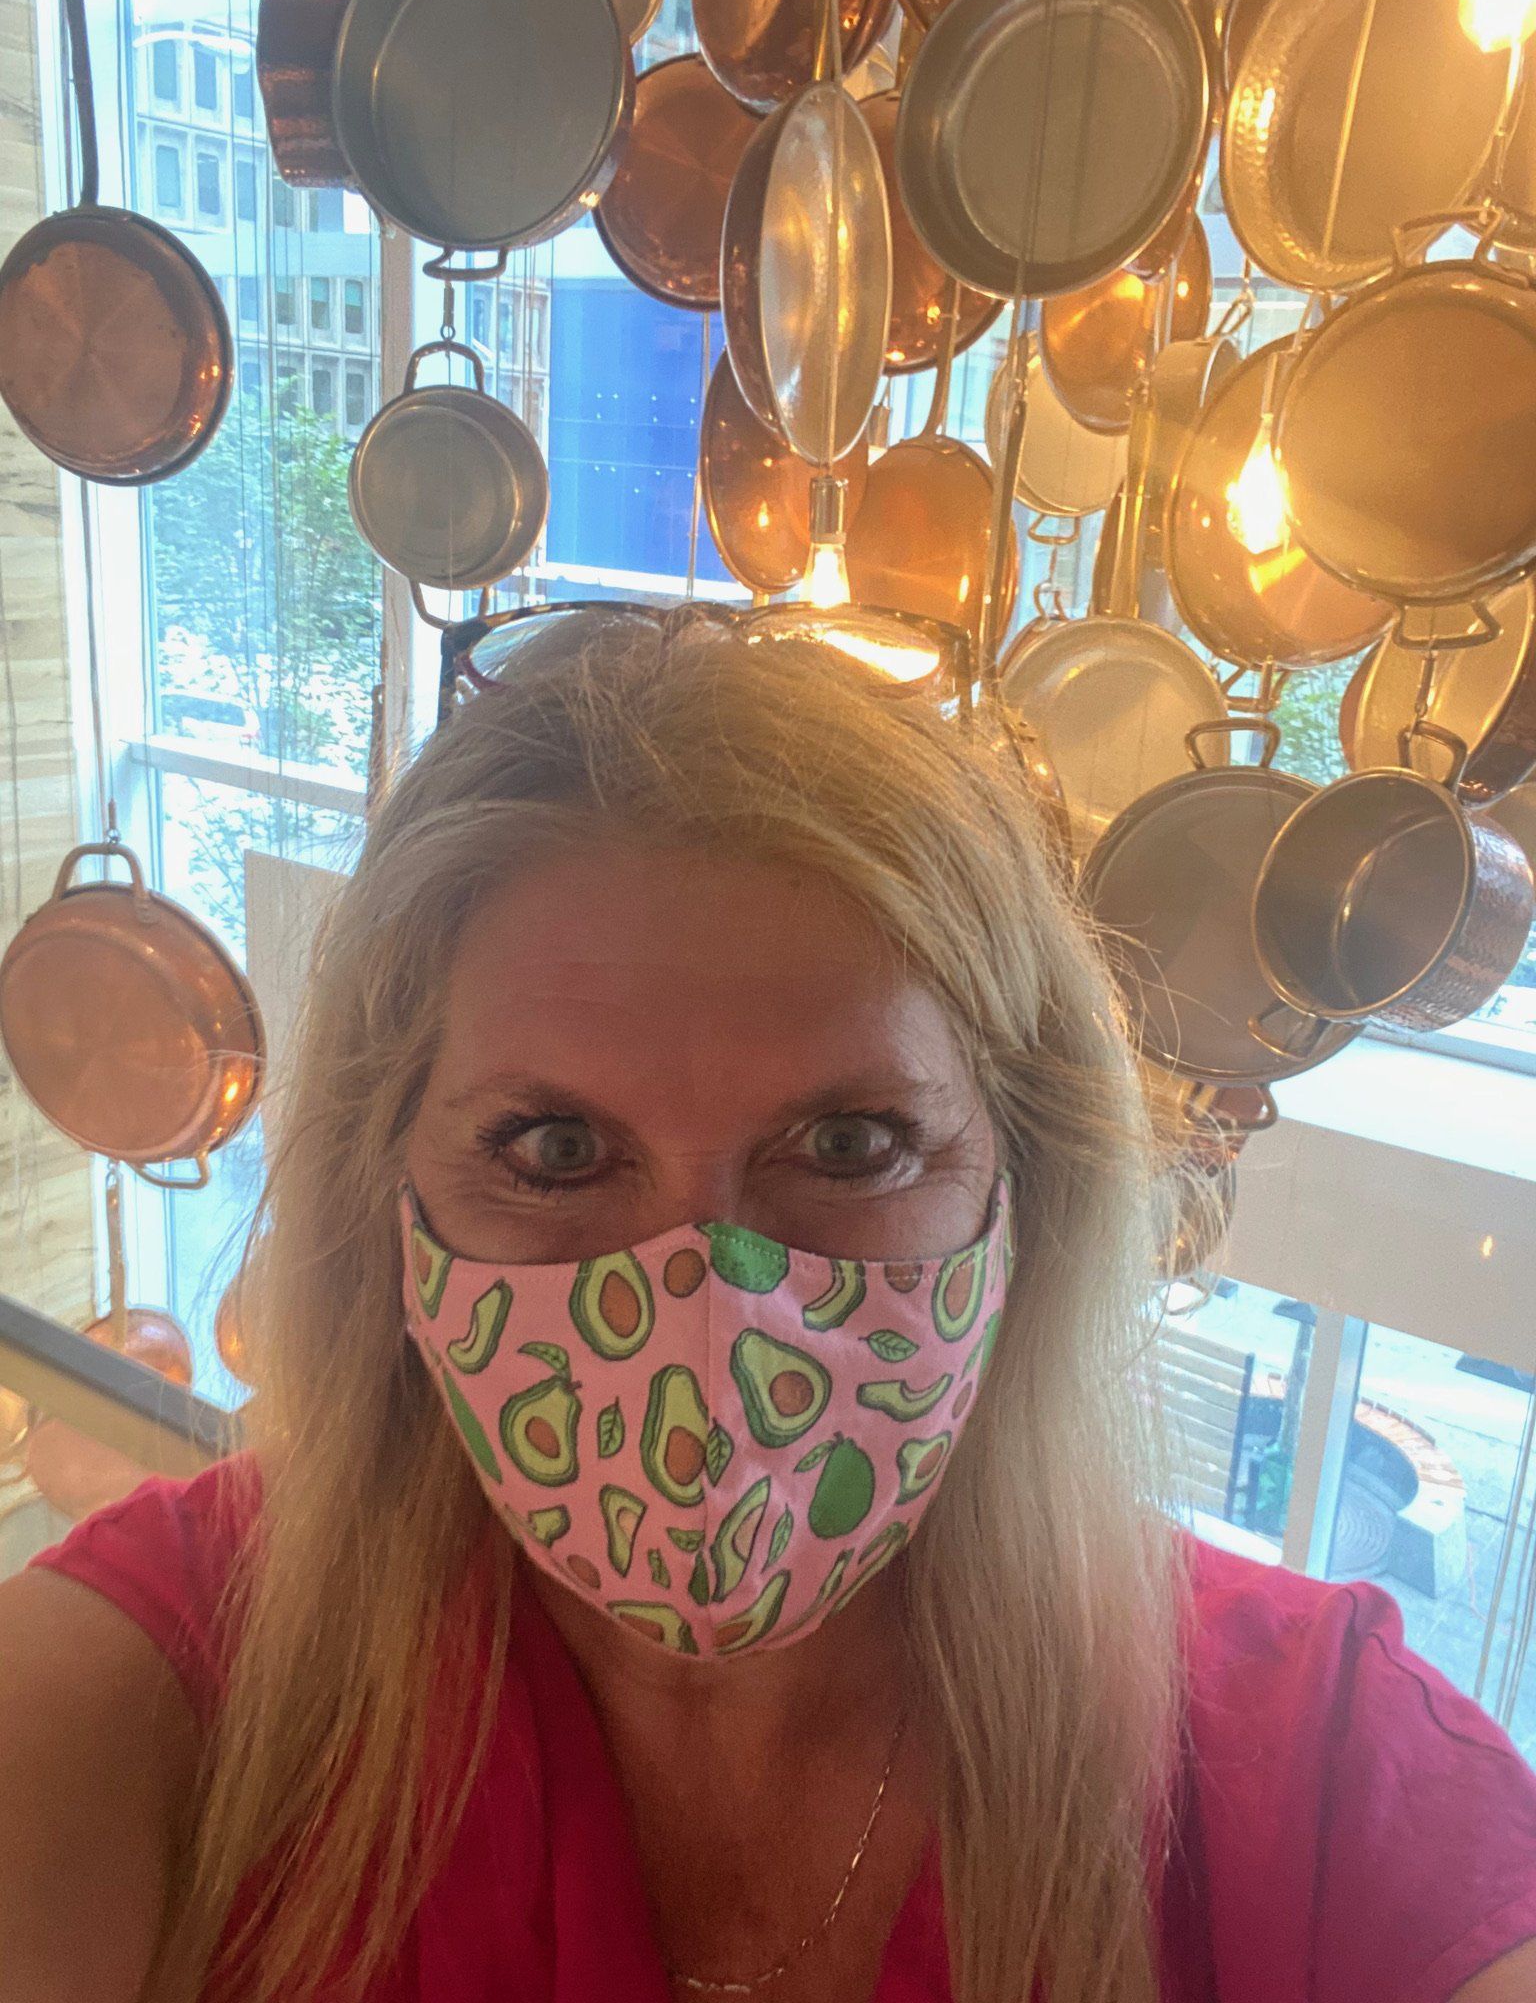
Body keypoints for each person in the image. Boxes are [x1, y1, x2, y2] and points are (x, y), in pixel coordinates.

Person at [1, 603, 1533, 2003]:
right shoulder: (163, 1708)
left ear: (1026, 1193)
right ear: (384, 1195)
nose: (706, 1315)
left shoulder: (1318, 1780)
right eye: (555, 1149)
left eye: (852, 1146)